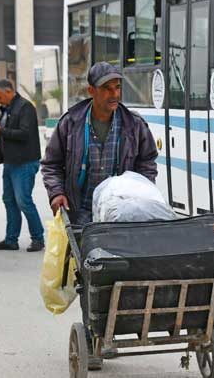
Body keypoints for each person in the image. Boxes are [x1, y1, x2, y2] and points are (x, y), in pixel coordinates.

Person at [41, 61, 158, 367]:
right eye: (106, 88)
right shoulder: (71, 124)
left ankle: (115, 330)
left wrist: (141, 190)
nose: (113, 93)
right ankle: (95, 337)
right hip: (82, 212)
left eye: (117, 87)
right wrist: (57, 193)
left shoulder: (134, 125)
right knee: (91, 277)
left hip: (122, 212)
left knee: (125, 272)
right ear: (91, 90)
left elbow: (148, 162)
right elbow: (51, 164)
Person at [0, 79, 44, 252]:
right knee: (9, 201)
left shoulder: (25, 107)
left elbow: (24, 134)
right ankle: (11, 239)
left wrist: (0, 131)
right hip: (10, 162)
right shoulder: (8, 109)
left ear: (8, 91)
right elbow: (6, 134)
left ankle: (38, 238)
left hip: (24, 162)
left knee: (24, 201)